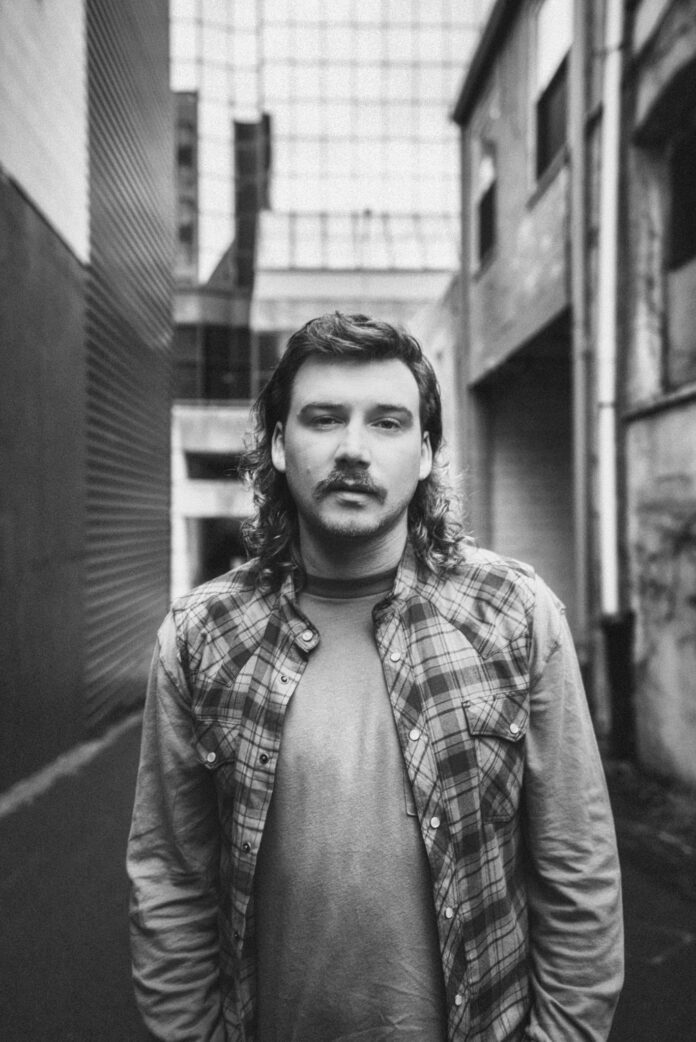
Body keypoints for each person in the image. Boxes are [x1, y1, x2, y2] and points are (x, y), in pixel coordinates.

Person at [127, 312, 624, 1042]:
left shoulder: (515, 615)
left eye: (387, 423)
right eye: (324, 419)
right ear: (277, 444)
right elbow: (169, 878)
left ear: (424, 455)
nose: (353, 449)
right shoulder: (201, 637)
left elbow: (577, 868)